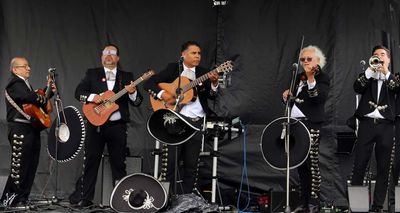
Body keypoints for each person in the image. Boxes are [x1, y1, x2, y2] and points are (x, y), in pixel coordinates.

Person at [69, 44, 143, 207]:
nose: (108, 56)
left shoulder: (126, 76)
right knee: (90, 162)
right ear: (102, 57)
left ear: (118, 58)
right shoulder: (92, 73)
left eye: (112, 53)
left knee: (119, 163)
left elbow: (137, 102)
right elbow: (78, 92)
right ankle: (86, 199)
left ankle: (123, 201)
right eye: (105, 53)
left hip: (117, 127)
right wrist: (95, 97)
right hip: (95, 125)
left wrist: (132, 92)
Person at [144, 41, 219, 195]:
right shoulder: (173, 69)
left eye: (199, 53)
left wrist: (214, 83)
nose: (197, 56)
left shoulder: (204, 72)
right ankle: (167, 198)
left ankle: (188, 200)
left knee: (192, 164)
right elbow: (150, 83)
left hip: (195, 123)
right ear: (183, 54)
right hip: (174, 121)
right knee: (170, 163)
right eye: (194, 53)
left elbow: (212, 96)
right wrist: (164, 95)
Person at [1, 57, 55, 207]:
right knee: (20, 167)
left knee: (31, 165)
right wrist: (43, 97)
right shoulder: (15, 83)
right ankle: (11, 200)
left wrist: (47, 91)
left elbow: (33, 102)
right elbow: (29, 97)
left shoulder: (25, 84)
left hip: (31, 129)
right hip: (20, 128)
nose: (29, 68)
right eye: (25, 66)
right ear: (15, 69)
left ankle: (23, 198)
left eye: (28, 66)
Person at [282, 45, 330, 213]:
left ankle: (314, 202)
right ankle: (303, 201)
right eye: (303, 59)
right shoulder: (297, 77)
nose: (305, 62)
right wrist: (287, 96)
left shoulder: (322, 78)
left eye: (309, 59)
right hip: (295, 124)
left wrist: (311, 79)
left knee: (312, 164)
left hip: (311, 125)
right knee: (300, 164)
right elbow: (293, 100)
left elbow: (317, 98)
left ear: (318, 61)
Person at [351, 45, 398, 213]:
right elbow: (357, 87)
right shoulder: (367, 77)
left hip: (386, 126)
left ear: (389, 59)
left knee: (384, 167)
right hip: (367, 125)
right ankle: (357, 205)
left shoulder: (394, 78)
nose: (379, 57)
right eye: (376, 55)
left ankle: (377, 206)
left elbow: (396, 88)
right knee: (359, 165)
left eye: (382, 55)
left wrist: (386, 73)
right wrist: (370, 70)